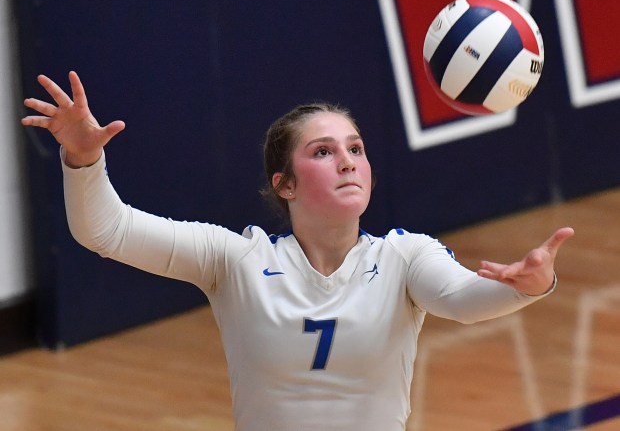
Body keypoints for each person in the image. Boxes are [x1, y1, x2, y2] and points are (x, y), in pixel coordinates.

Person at [22, 71, 574, 431]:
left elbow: (461, 299)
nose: (347, 161)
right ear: (285, 184)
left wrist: (528, 285)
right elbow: (107, 232)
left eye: (355, 148)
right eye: (323, 151)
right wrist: (83, 161)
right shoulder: (235, 261)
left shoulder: (406, 257)